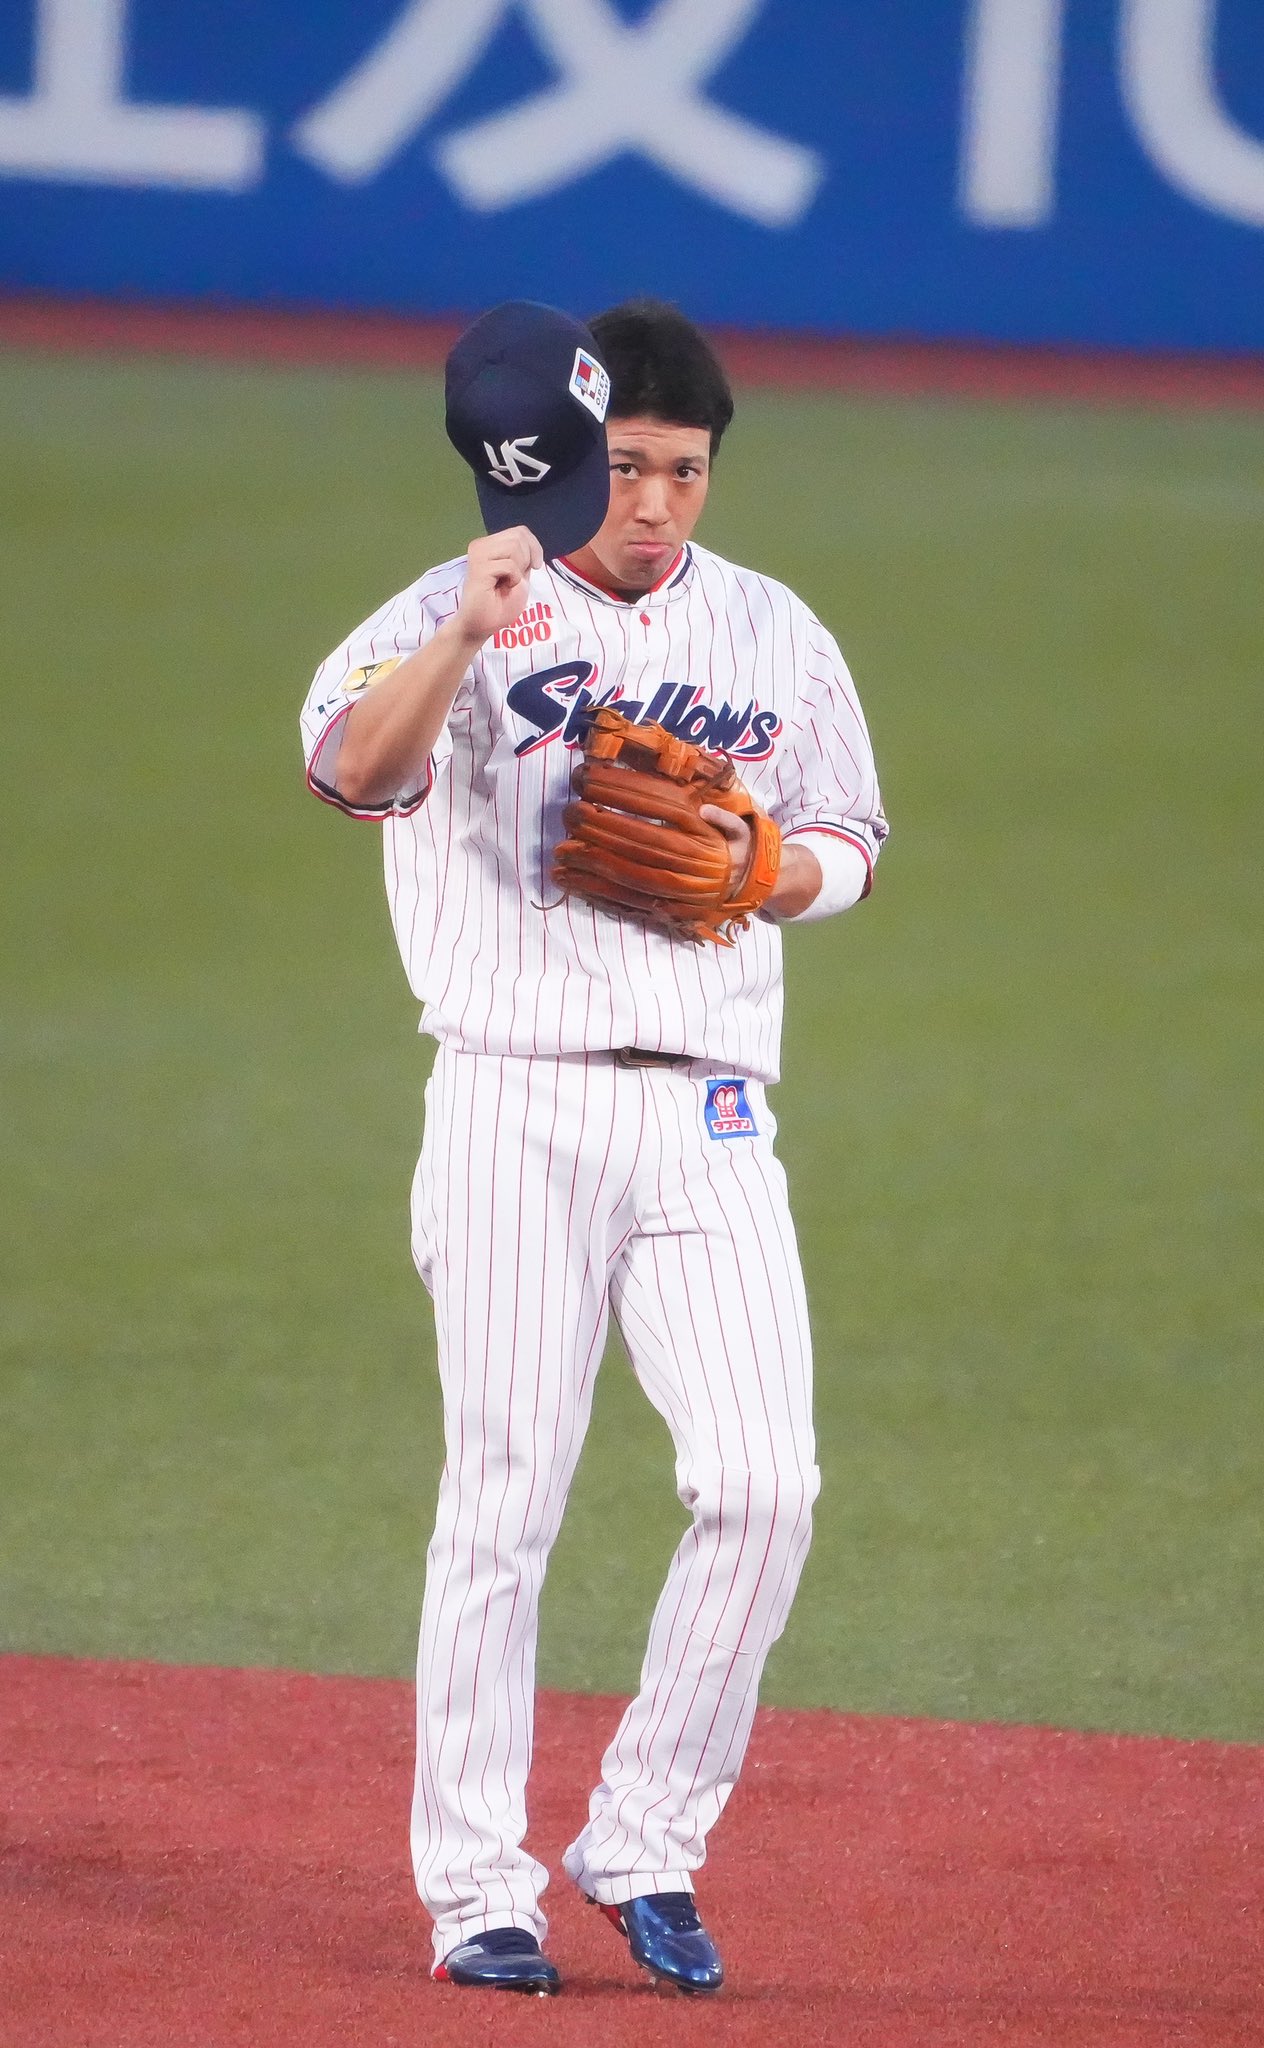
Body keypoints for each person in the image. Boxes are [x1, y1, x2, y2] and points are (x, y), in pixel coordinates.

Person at [300, 298, 887, 1997]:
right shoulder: (445, 606)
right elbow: (349, 775)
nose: (653, 504)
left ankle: (644, 1840)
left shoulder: (777, 630)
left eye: (684, 471)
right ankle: (477, 1891)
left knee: (766, 1485)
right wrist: (460, 640)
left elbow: (852, 838)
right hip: (512, 1101)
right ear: (565, 455)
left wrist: (772, 871)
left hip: (712, 1112)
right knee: (504, 1505)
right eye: (626, 466)